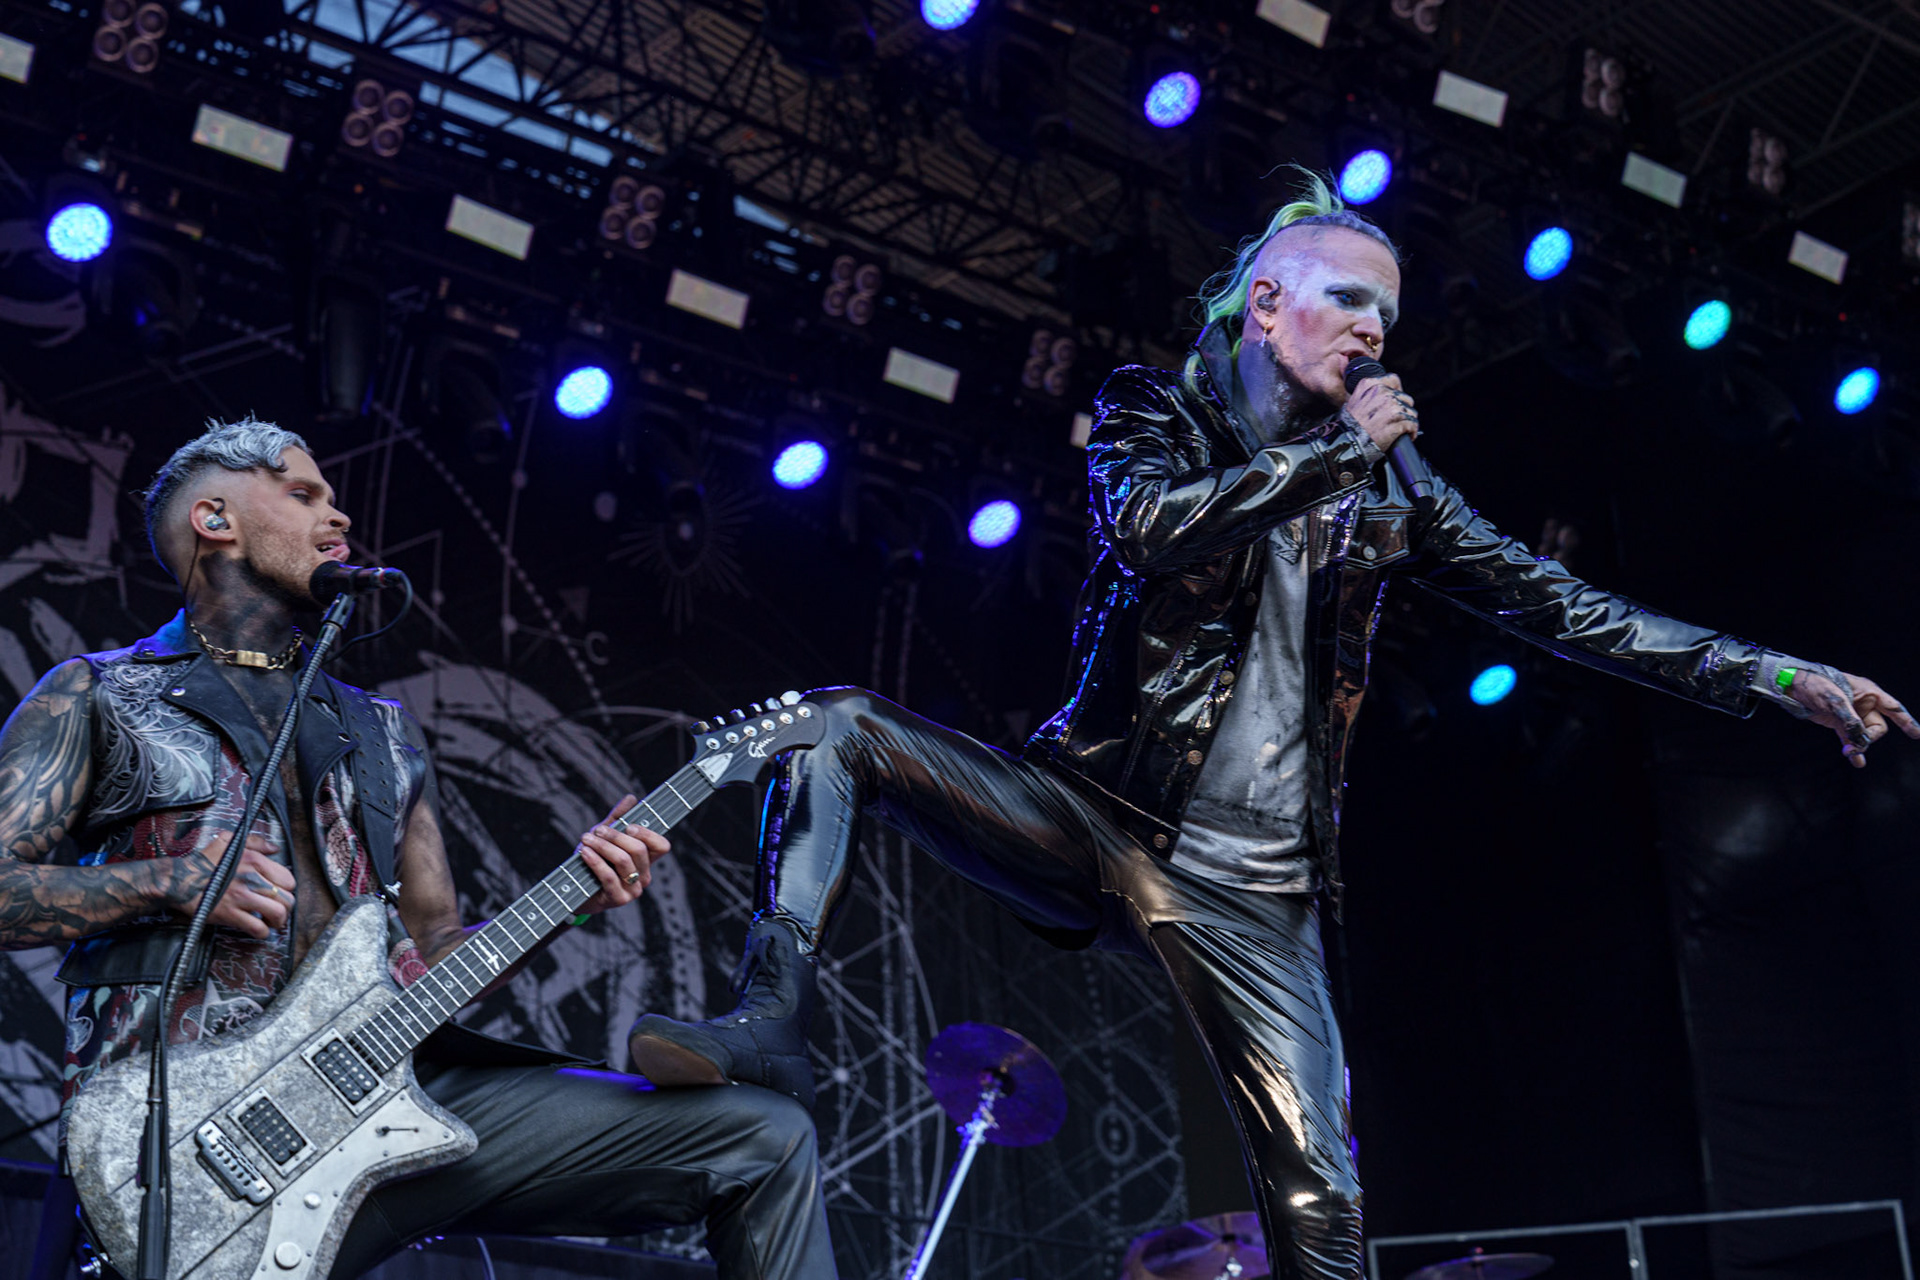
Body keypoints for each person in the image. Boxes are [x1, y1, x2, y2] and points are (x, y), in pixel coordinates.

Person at [627, 173, 1920, 1280]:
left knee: (1320, 1184)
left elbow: (1564, 608)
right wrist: (1331, 462)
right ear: (1268, 304)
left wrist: (1769, 674)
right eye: (1351, 300)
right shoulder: (1158, 415)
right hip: (1092, 813)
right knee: (837, 726)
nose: (1374, 331)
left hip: (1257, 887)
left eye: (1390, 315)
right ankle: (767, 1028)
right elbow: (1152, 533)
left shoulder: (1394, 488)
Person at [0, 419, 835, 1279]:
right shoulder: (99, 695)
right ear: (216, 519)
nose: (339, 517)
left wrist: (574, 897)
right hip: (180, 1136)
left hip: (388, 1103)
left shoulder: (384, 734)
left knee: (761, 1136)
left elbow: (436, 955)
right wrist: (167, 879)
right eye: (304, 494)